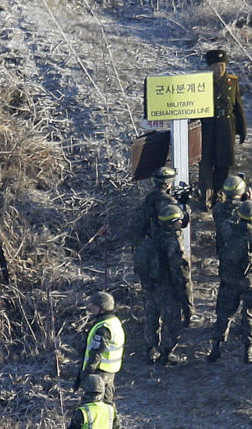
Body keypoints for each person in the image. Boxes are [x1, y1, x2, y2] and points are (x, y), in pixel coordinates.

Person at [208, 200, 252, 364]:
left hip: (228, 279)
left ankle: (216, 348)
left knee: (224, 314)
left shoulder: (228, 230)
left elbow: (226, 221)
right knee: (249, 315)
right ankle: (249, 350)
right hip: (250, 281)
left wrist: (239, 209)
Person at [131, 166, 188, 360]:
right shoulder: (168, 204)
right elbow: (178, 267)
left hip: (150, 270)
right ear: (169, 182)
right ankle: (166, 352)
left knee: (151, 312)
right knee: (170, 314)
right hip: (164, 272)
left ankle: (150, 348)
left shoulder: (148, 199)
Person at [199, 49, 246, 211]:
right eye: (217, 66)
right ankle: (206, 197)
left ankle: (219, 196)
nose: (221, 69)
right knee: (206, 163)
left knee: (223, 164)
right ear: (210, 67)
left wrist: (242, 129)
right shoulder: (202, 83)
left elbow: (237, 107)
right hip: (207, 128)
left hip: (226, 128)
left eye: (223, 65)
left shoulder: (232, 82)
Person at [148, 204, 193, 366]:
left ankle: (150, 349)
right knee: (172, 319)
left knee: (152, 316)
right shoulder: (174, 243)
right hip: (167, 286)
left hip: (152, 283)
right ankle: (166, 353)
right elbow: (180, 273)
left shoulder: (153, 235)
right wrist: (187, 301)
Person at [74, 292, 125, 404]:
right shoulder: (114, 322)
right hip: (110, 372)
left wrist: (86, 373)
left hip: (99, 373)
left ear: (102, 308)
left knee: (92, 405)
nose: (90, 308)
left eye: (94, 306)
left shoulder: (103, 328)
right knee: (107, 404)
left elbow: (96, 354)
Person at [212, 175, 252, 254]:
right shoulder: (245, 209)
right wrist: (251, 202)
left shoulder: (217, 208)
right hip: (242, 252)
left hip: (223, 250)